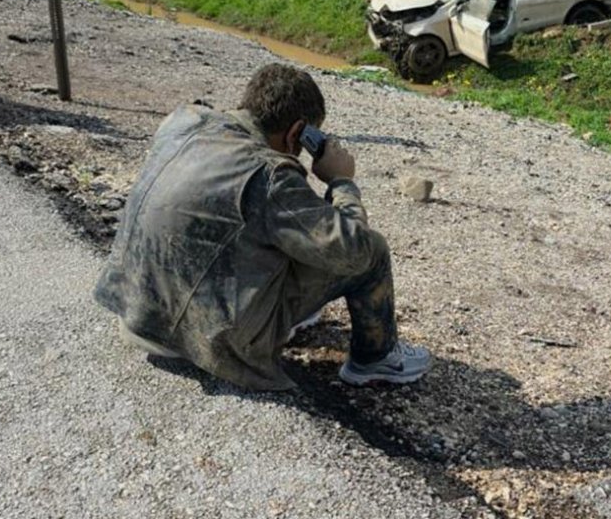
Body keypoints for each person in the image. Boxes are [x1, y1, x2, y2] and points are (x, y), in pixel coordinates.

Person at [94, 64, 432, 390]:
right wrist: (342, 181)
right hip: (209, 346)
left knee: (282, 229)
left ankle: (281, 315)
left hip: (137, 315)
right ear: (297, 133)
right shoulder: (271, 175)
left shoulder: (182, 122)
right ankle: (377, 360)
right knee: (371, 250)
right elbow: (353, 251)